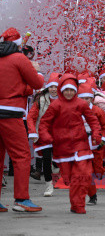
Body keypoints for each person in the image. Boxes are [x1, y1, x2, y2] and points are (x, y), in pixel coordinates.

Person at [37, 74, 102, 214]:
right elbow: (44, 123)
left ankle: (79, 205)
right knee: (72, 179)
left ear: (75, 91)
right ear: (61, 90)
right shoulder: (56, 105)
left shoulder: (81, 104)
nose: (69, 93)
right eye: (66, 90)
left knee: (83, 174)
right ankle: (76, 204)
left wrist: (96, 134)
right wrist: (46, 137)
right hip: (63, 148)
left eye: (72, 90)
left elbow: (93, 120)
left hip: (81, 144)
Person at [0, 27, 44, 213]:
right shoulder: (19, 59)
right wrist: (37, 72)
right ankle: (21, 199)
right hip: (11, 114)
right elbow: (37, 84)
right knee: (22, 156)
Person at [27, 73, 61, 197]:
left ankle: (56, 168)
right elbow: (31, 117)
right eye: (51, 87)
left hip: (60, 136)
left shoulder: (65, 99)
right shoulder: (41, 99)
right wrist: (32, 131)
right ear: (48, 87)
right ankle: (48, 185)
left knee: (58, 162)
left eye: (56, 87)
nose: (53, 89)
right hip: (43, 135)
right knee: (46, 159)